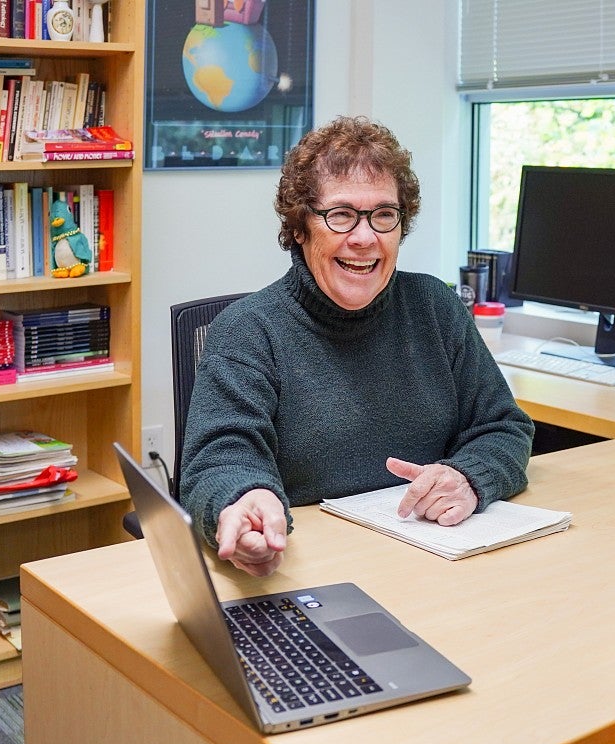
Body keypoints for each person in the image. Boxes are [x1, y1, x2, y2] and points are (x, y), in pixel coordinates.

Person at [178, 116, 534, 576]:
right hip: (312, 573)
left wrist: (469, 478)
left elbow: (503, 427)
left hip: (435, 565)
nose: (365, 238)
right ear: (301, 227)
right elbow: (219, 459)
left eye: (384, 215)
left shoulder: (434, 307)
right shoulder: (247, 332)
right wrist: (247, 500)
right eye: (341, 215)